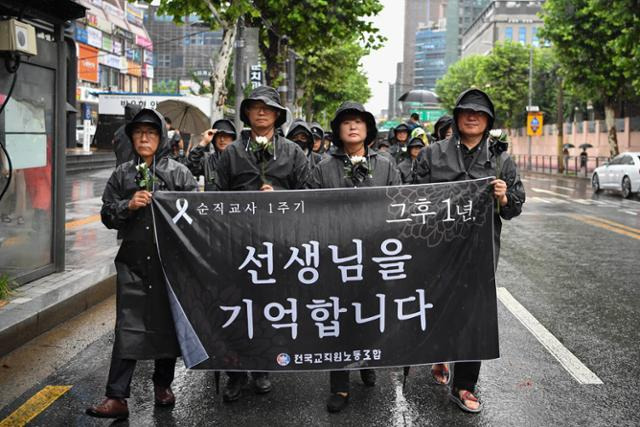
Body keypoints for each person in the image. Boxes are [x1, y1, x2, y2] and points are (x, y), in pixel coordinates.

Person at [416, 88, 525, 413]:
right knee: (436, 308)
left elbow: (514, 208)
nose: (473, 117)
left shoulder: (501, 160)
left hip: (479, 254)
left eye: (480, 113)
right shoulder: (431, 155)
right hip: (436, 249)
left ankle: (464, 385)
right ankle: (437, 355)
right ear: (457, 116)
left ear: (488, 121)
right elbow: (410, 198)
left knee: (473, 318)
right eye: (466, 112)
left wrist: (504, 198)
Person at [86, 109, 198, 420]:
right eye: (138, 133)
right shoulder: (122, 174)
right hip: (133, 264)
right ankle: (116, 396)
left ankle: (163, 385)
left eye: (151, 132)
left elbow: (195, 217)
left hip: (170, 265)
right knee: (128, 326)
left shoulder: (178, 173)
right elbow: (107, 215)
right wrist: (128, 204)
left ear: (161, 137)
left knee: (167, 326)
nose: (144, 137)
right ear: (132, 137)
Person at [215, 86, 309, 402]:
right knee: (236, 310)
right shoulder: (230, 154)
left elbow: (310, 198)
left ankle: (263, 369)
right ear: (246, 113)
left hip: (278, 247)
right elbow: (214, 200)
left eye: (268, 108)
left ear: (278, 115)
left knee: (269, 308)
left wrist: (280, 199)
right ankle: (235, 373)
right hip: (238, 246)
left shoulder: (294, 153)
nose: (261, 112)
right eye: (255, 107)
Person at [307, 101, 401, 413]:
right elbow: (308, 208)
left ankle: (368, 361)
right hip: (337, 257)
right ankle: (340, 385)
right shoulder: (323, 167)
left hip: (375, 256)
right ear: (338, 130)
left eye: (358, 122)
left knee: (372, 312)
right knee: (339, 317)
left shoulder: (386, 165)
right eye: (346, 122)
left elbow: (400, 205)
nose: (352, 126)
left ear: (368, 129)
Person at [186, 119, 236, 190]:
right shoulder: (208, 160)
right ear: (214, 139)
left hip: (234, 201)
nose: (222, 139)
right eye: (219, 136)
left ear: (232, 139)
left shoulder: (239, 160)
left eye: (226, 136)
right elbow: (190, 167)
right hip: (211, 200)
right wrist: (204, 142)